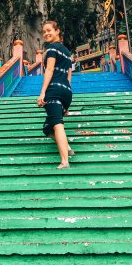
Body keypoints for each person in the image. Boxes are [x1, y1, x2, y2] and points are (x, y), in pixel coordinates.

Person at [37, 20, 74, 169]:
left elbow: (50, 70)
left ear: (57, 31)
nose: (46, 33)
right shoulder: (67, 53)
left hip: (54, 90)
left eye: (49, 30)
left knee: (57, 125)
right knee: (48, 127)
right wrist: (67, 102)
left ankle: (65, 161)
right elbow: (69, 76)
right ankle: (68, 148)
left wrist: (42, 92)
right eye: (44, 31)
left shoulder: (51, 49)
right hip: (66, 91)